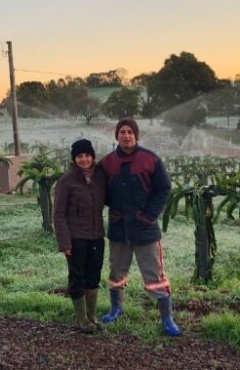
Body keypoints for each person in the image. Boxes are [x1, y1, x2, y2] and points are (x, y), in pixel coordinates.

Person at [99, 117, 182, 337]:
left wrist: (150, 216)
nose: (126, 136)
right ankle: (116, 309)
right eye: (122, 132)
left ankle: (167, 319)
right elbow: (99, 191)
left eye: (130, 132)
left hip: (145, 229)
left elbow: (164, 188)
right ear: (116, 136)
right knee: (116, 272)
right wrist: (113, 207)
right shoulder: (107, 163)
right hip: (118, 229)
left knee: (155, 275)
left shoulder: (150, 159)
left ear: (136, 136)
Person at [53, 139, 106, 333]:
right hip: (76, 237)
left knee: (94, 275)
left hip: (97, 235)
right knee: (77, 277)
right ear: (74, 159)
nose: (84, 159)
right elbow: (58, 214)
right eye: (79, 156)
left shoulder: (100, 177)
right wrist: (64, 242)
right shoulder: (66, 181)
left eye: (87, 155)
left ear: (92, 157)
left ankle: (92, 316)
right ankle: (81, 319)